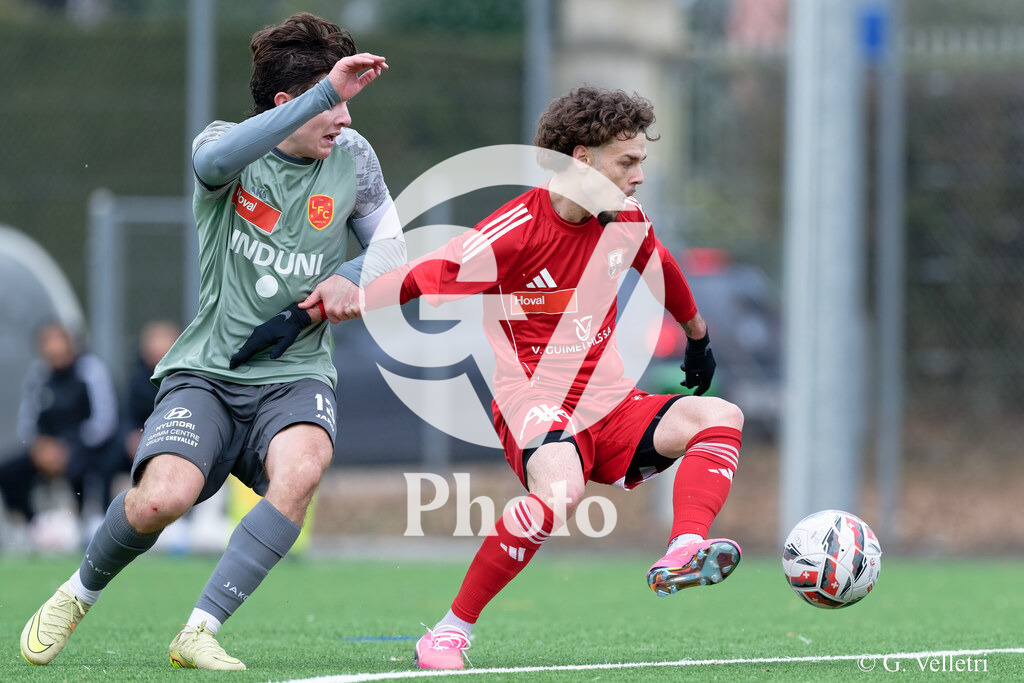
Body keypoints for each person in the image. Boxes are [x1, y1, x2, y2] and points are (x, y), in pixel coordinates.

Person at [242, 86, 746, 670]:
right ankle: (450, 633)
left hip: (611, 405)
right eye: (627, 162)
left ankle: (684, 548)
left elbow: (660, 265)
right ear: (581, 158)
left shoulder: (624, 219)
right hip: (537, 404)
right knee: (560, 493)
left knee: (720, 416)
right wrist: (328, 305)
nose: (637, 177)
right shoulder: (516, 232)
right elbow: (429, 276)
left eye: (640, 163)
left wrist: (698, 333)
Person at [20, 13, 401, 671]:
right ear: (287, 105)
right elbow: (213, 160)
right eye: (329, 104)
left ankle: (198, 629)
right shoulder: (225, 146)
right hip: (209, 373)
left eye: (342, 102)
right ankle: (77, 592)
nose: (343, 119)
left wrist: (350, 277)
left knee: (301, 468)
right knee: (157, 500)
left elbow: (392, 247)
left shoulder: (353, 156)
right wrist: (324, 92)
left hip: (296, 374)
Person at [0, 322, 119, 539]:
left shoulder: (90, 369)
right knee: (7, 470)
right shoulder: (38, 375)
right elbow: (27, 420)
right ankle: (29, 527)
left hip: (84, 446)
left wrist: (68, 446)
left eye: (58, 341)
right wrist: (40, 446)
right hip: (46, 448)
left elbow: (104, 420)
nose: (53, 349)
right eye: (47, 343)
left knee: (82, 467)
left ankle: (85, 523)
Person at [112, 320, 182, 504]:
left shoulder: (185, 379)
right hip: (140, 442)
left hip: (176, 438)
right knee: (107, 459)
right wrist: (130, 437)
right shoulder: (137, 379)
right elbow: (126, 416)